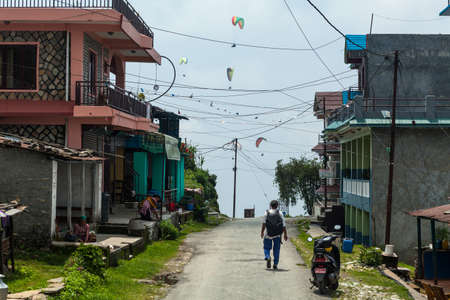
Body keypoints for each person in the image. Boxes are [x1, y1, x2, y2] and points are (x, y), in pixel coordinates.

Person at [260, 200, 288, 270]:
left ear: (270, 205)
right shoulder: (280, 213)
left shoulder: (266, 213)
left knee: (266, 247)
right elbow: (284, 225)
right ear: (277, 206)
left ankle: (268, 256)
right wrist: (285, 234)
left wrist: (262, 232)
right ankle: (275, 264)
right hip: (277, 235)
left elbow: (264, 224)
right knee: (276, 250)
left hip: (268, 234)